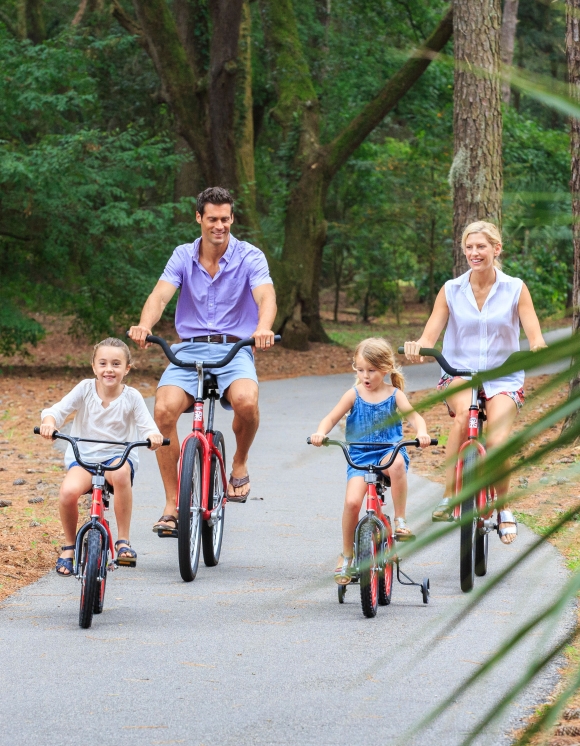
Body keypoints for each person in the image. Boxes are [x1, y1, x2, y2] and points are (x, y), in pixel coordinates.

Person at [128, 186, 276, 533]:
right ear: (199, 218)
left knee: (245, 400)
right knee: (163, 412)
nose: (219, 226)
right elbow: (160, 294)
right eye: (212, 219)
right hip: (189, 348)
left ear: (232, 218)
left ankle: (239, 461)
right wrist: (144, 325)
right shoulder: (183, 255)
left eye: (225, 219)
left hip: (234, 348)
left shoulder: (250, 256)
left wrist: (263, 327)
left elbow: (266, 296)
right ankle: (171, 504)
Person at [404, 221, 547, 544]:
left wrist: (537, 347)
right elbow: (430, 335)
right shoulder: (451, 289)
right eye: (469, 247)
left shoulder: (515, 288)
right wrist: (419, 344)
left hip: (503, 376)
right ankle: (448, 496)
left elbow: (534, 335)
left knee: (497, 441)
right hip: (458, 371)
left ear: (496, 249)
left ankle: (504, 507)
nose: (474, 253)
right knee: (461, 420)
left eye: (481, 247)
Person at [310, 337, 431, 585]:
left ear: (385, 369)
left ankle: (400, 520)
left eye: (371, 370)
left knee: (396, 463)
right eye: (360, 369)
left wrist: (421, 432)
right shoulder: (353, 394)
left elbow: (415, 418)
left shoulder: (394, 395)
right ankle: (347, 556)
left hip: (388, 450)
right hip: (360, 456)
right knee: (353, 502)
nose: (365, 375)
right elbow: (330, 418)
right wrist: (320, 433)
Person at [39, 338, 164, 575]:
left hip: (117, 457)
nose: (109, 369)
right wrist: (49, 423)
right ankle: (69, 547)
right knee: (67, 492)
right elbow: (57, 410)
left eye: (116, 364)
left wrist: (153, 437)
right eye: (103, 363)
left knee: (119, 474)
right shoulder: (85, 389)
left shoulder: (132, 397)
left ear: (127, 368)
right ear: (94, 366)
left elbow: (148, 426)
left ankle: (123, 541)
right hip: (84, 457)